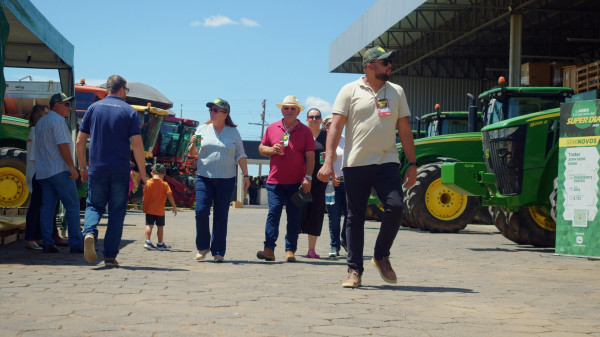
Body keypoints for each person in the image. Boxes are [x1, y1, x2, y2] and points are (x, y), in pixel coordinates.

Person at [317, 46, 417, 288]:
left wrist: (412, 164)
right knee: (355, 218)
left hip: (387, 162)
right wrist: (329, 161)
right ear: (370, 66)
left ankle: (381, 255)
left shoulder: (397, 92)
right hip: (356, 163)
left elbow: (404, 130)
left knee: (395, 207)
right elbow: (336, 128)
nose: (390, 66)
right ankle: (354, 270)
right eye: (386, 62)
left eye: (390, 62)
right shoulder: (349, 90)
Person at [76, 75, 147, 268]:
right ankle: (109, 256)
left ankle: (89, 231)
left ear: (108, 89)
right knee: (116, 212)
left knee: (94, 205)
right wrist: (142, 172)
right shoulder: (129, 112)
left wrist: (83, 166)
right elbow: (137, 145)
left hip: (97, 168)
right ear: (122, 89)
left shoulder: (92, 108)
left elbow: (80, 141)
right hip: (120, 170)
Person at [188, 98, 250, 263]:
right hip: (204, 177)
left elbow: (241, 155)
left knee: (221, 216)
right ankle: (203, 247)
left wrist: (246, 175)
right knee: (201, 211)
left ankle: (218, 252)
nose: (212, 112)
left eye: (216, 110)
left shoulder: (233, 132)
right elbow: (194, 152)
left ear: (225, 113)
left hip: (226, 179)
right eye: (211, 110)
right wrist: (193, 144)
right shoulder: (203, 128)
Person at [256, 95, 315, 262]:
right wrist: (271, 150)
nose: (289, 110)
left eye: (292, 108)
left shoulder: (305, 131)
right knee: (273, 213)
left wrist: (308, 177)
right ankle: (269, 249)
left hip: (296, 182)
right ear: (282, 110)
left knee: (294, 217)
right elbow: (261, 148)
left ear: (298, 111)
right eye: (286, 108)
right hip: (274, 182)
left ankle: (290, 250)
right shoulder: (272, 127)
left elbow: (310, 156)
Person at [34, 93, 84, 254]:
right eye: (66, 104)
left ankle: (48, 242)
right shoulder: (58, 121)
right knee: (72, 205)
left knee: (47, 208)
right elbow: (62, 145)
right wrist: (72, 166)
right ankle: (76, 243)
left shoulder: (41, 121)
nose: (69, 108)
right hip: (60, 170)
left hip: (44, 171)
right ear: (56, 104)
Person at [299, 108, 327, 258]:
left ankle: (311, 249)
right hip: (301, 178)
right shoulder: (302, 133)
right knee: (298, 211)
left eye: (317, 116)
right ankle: (292, 246)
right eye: (311, 117)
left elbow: (333, 157)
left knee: (316, 213)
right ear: (307, 119)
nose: (314, 119)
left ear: (321, 119)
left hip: (320, 180)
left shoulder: (326, 136)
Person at [322, 114, 347, 258]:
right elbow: (321, 163)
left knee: (350, 215)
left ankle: (345, 240)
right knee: (334, 216)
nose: (329, 126)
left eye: (332, 123)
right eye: (326, 124)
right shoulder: (323, 141)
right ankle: (334, 245)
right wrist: (331, 177)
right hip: (331, 184)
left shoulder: (346, 140)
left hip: (347, 182)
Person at [142, 164, 177, 251]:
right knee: (160, 227)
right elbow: (170, 195)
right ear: (164, 174)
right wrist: (174, 206)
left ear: (151, 173)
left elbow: (144, 196)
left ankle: (147, 242)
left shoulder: (147, 183)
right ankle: (160, 244)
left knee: (149, 225)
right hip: (160, 210)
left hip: (149, 209)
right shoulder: (165, 184)